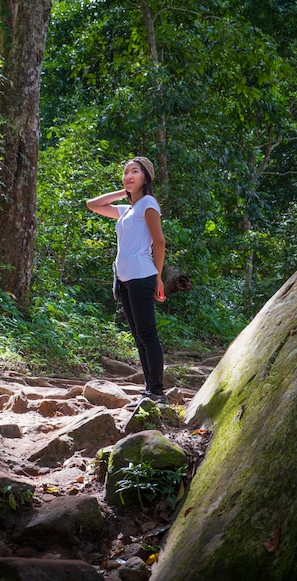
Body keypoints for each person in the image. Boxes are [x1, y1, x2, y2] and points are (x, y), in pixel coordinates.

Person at [86, 156, 167, 408]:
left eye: (135, 172)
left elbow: (159, 241)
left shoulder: (148, 204)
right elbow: (93, 204)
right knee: (138, 337)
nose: (129, 175)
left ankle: (157, 391)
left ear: (147, 177)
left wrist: (159, 277)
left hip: (142, 276)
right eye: (125, 172)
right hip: (124, 280)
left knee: (147, 334)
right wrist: (125, 191)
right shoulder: (128, 210)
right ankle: (149, 390)